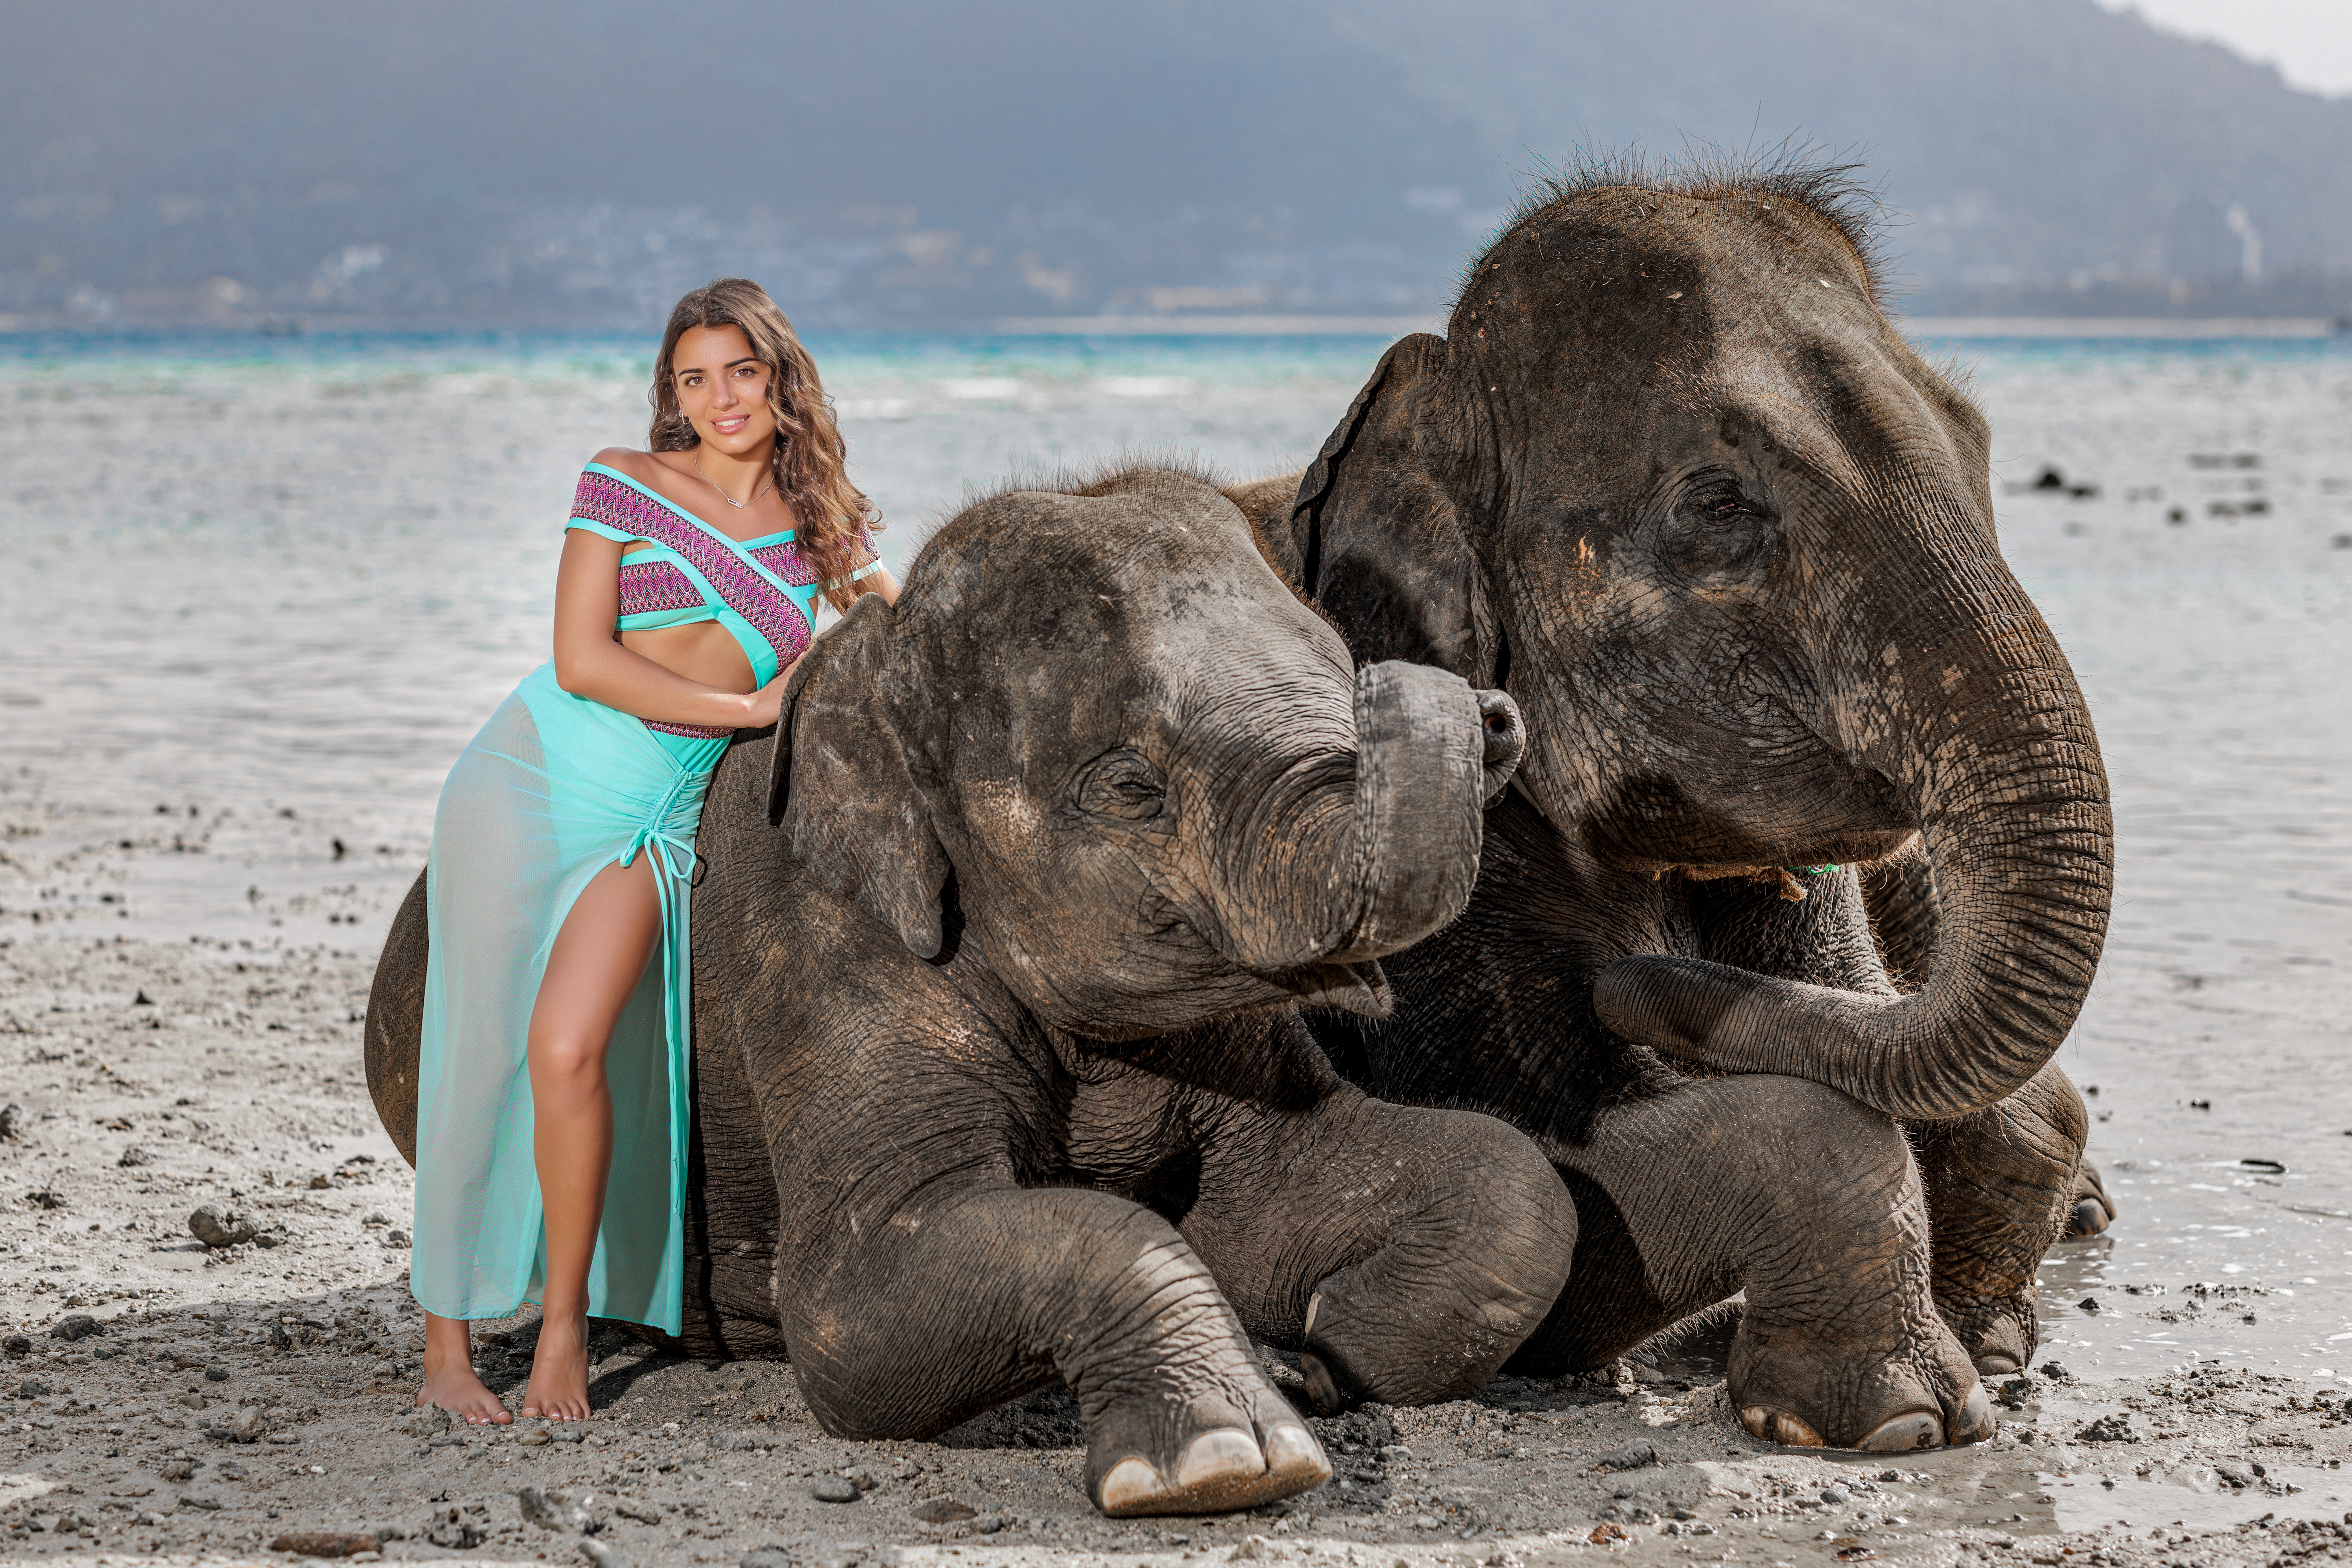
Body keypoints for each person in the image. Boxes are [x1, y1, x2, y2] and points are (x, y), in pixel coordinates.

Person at [409, 279, 895, 1423]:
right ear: (670, 392)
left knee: (569, 1049)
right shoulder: (620, 479)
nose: (720, 398)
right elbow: (582, 659)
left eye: (741, 371)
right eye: (694, 377)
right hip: (530, 772)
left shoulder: (825, 522)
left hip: (654, 811)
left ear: (781, 377)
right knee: (476, 1044)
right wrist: (753, 712)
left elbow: (898, 624)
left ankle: (566, 1328)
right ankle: (444, 1347)